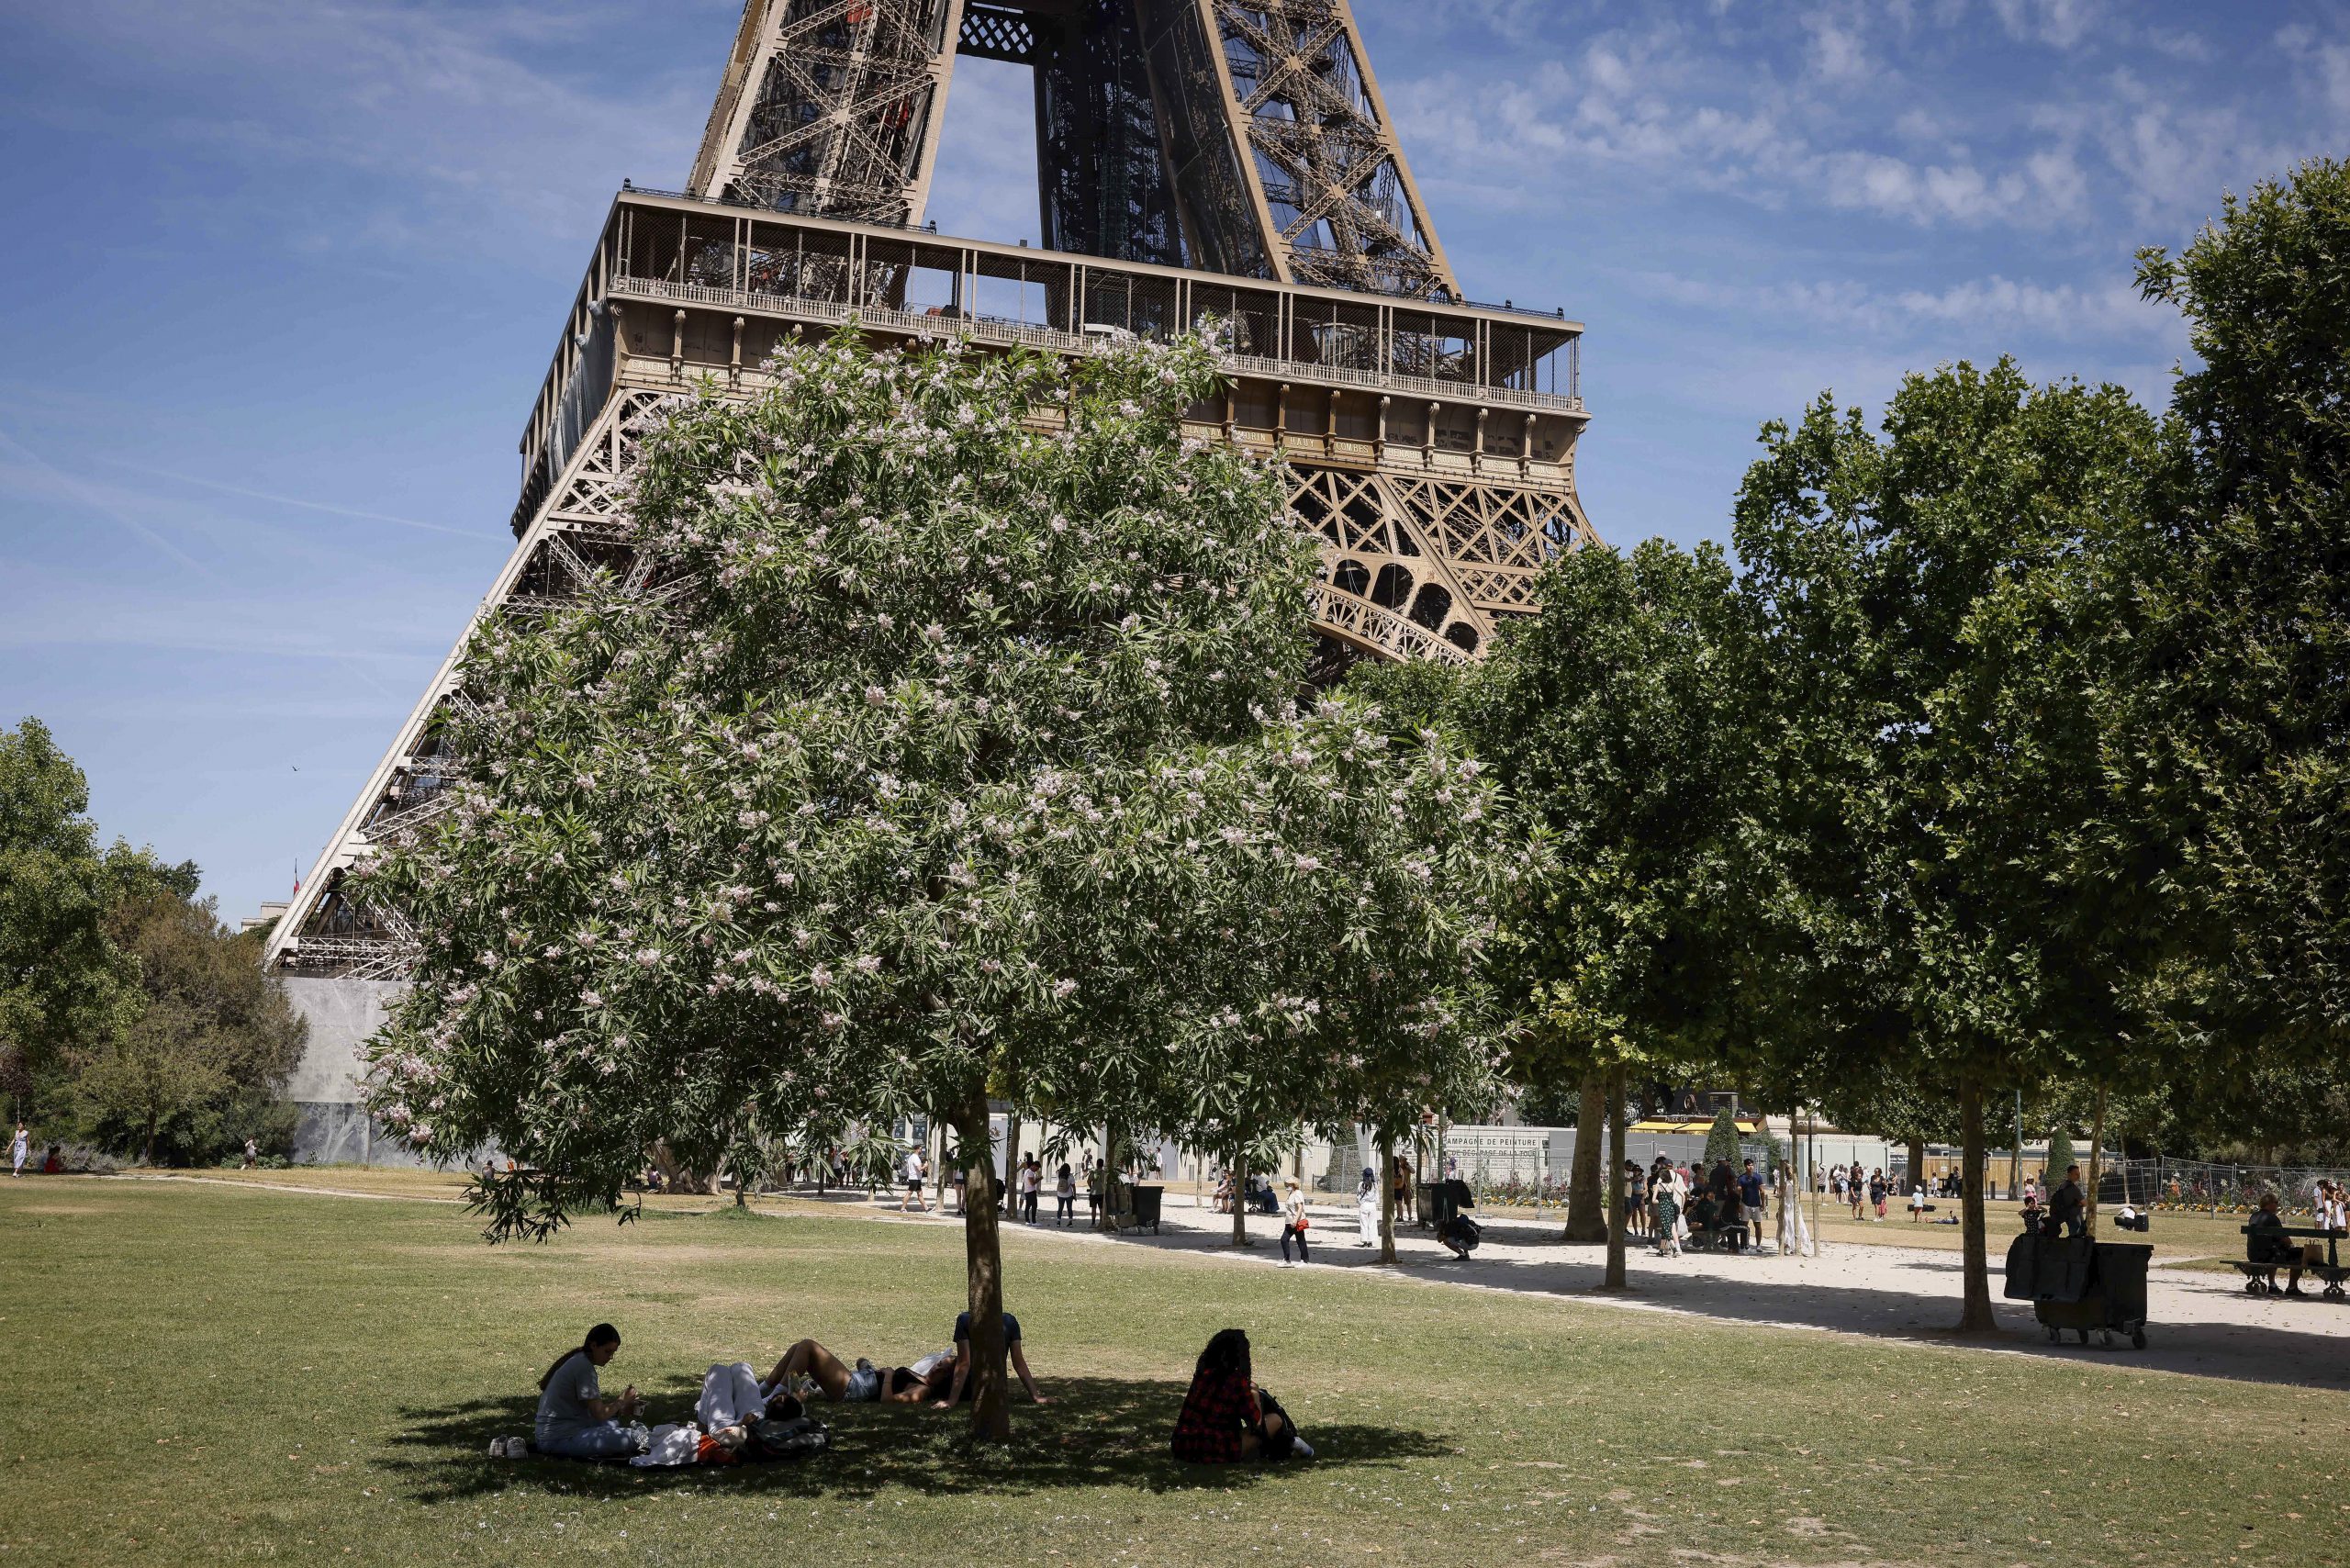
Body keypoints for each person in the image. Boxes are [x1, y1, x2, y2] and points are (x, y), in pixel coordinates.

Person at [1169, 1328, 1310, 1462]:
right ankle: (1293, 1443)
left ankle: (1288, 1443)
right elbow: (1257, 1424)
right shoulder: (1236, 1382)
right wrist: (1254, 1394)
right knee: (1275, 1420)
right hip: (1213, 1449)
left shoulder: (1203, 1375)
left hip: (1182, 1445)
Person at [533, 1323, 644, 1458]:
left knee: (613, 1423)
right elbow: (599, 1414)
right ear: (593, 1346)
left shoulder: (579, 1360)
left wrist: (620, 1410)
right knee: (635, 1437)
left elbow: (592, 1411)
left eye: (613, 1352)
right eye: (607, 1351)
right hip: (559, 1439)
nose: (611, 1357)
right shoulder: (584, 1368)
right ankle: (658, 1438)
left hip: (558, 1433)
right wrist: (621, 1401)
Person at [763, 1338, 934, 1405]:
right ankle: (763, 1390)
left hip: (854, 1389)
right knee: (798, 1347)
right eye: (941, 1363)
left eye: (944, 1367)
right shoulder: (921, 1376)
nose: (938, 1365)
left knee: (808, 1347)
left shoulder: (923, 1388)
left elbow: (887, 1400)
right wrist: (868, 1367)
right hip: (858, 1381)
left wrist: (889, 1375)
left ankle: (773, 1399)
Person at [938, 1308, 1050, 1406]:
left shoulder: (964, 1320)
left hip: (972, 1387)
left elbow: (964, 1363)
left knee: (940, 1366)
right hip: (997, 1387)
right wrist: (1036, 1396)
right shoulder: (1010, 1321)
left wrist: (952, 1400)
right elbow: (1018, 1362)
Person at [2246, 1193, 2309, 1296]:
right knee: (2300, 1254)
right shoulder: (2272, 1218)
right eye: (2276, 1203)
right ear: (2269, 1204)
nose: (2277, 1205)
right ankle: (2292, 1287)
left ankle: (2272, 1285)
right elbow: (2284, 1237)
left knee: (2274, 1250)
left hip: (2253, 1254)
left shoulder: (2254, 1216)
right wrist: (2292, 1247)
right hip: (2269, 1255)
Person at [1279, 1179, 1311, 1265]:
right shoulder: (1291, 1194)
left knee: (1285, 1239)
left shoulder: (1297, 1193)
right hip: (1289, 1221)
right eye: (1286, 1185)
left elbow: (1300, 1208)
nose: (1286, 1187)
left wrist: (1295, 1220)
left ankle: (1291, 1260)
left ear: (1293, 1184)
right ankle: (1299, 1260)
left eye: (1288, 1185)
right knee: (1300, 1240)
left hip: (1295, 1221)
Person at [2047, 1164, 2085, 1238]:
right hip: (2074, 1217)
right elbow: (2084, 1202)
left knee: (2073, 1234)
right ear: (2069, 1175)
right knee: (2076, 1237)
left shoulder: (2062, 1186)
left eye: (2079, 1174)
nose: (2078, 1176)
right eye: (2076, 1174)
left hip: (2067, 1215)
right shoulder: (2074, 1189)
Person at [1651, 1179, 1682, 1257]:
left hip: (1663, 1209)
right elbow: (1683, 1195)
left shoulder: (1658, 1186)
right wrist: (1682, 1207)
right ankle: (1661, 1250)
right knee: (1666, 1229)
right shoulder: (1673, 1184)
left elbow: (1653, 1200)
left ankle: (1674, 1248)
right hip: (1671, 1208)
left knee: (1666, 1228)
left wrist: (1662, 1201)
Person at [1739, 1159, 1765, 1244]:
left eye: (1752, 1165)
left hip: (1756, 1204)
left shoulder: (1758, 1177)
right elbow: (1738, 1192)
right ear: (1745, 1166)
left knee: (1758, 1225)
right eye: (1749, 1165)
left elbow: (1762, 1191)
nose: (1751, 1167)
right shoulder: (1741, 1178)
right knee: (1744, 1226)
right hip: (1745, 1204)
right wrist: (1739, 1205)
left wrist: (1763, 1203)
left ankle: (1758, 1245)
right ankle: (1743, 1244)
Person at [900, 1144, 928, 1213]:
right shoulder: (915, 1157)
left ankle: (927, 1208)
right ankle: (902, 1208)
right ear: (917, 1149)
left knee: (920, 1193)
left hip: (917, 1178)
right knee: (909, 1193)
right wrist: (925, 1166)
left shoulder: (913, 1157)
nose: (921, 1150)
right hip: (914, 1178)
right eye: (920, 1149)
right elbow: (919, 1169)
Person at [1356, 1166, 1378, 1247]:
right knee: (1372, 1223)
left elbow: (1358, 1195)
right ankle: (1370, 1241)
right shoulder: (1375, 1185)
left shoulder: (1361, 1184)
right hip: (1372, 1204)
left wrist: (1359, 1202)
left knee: (1363, 1223)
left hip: (1364, 1204)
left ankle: (1364, 1240)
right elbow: (1376, 1196)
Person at [1055, 1161, 1076, 1226]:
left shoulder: (1059, 1175)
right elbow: (1073, 1187)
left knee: (1060, 1208)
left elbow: (1057, 1171)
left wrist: (1060, 1170)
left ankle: (1058, 1222)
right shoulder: (1071, 1177)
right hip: (1069, 1194)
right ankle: (1070, 1222)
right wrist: (1074, 1194)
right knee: (1069, 1208)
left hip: (1060, 1194)